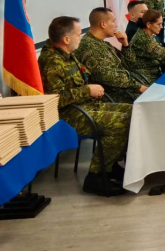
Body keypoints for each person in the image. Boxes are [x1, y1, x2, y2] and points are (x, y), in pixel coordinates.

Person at [38, 17, 133, 196]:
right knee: (120, 121)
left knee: (133, 111)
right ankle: (95, 177)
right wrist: (86, 90)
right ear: (66, 39)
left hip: (85, 107)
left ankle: (110, 166)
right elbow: (53, 100)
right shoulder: (51, 61)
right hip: (67, 115)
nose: (81, 37)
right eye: (78, 34)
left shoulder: (67, 54)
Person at [74, 8, 148, 104]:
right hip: (111, 97)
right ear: (103, 24)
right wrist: (139, 87)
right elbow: (108, 77)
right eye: (113, 21)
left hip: (124, 90)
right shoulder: (89, 46)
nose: (116, 25)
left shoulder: (102, 43)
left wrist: (125, 45)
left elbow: (129, 65)